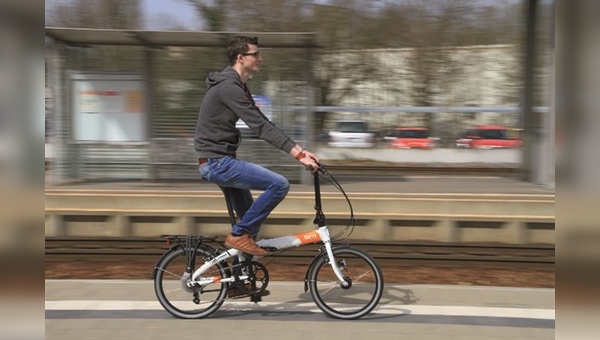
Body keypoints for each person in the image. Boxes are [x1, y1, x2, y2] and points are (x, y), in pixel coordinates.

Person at [194, 36, 319, 257]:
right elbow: (260, 127)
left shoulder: (238, 86)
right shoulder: (229, 88)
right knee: (279, 185)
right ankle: (238, 235)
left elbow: (263, 122)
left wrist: (300, 149)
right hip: (218, 163)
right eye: (256, 54)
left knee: (251, 225)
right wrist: (299, 156)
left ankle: (239, 280)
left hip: (220, 161)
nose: (261, 58)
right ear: (241, 58)